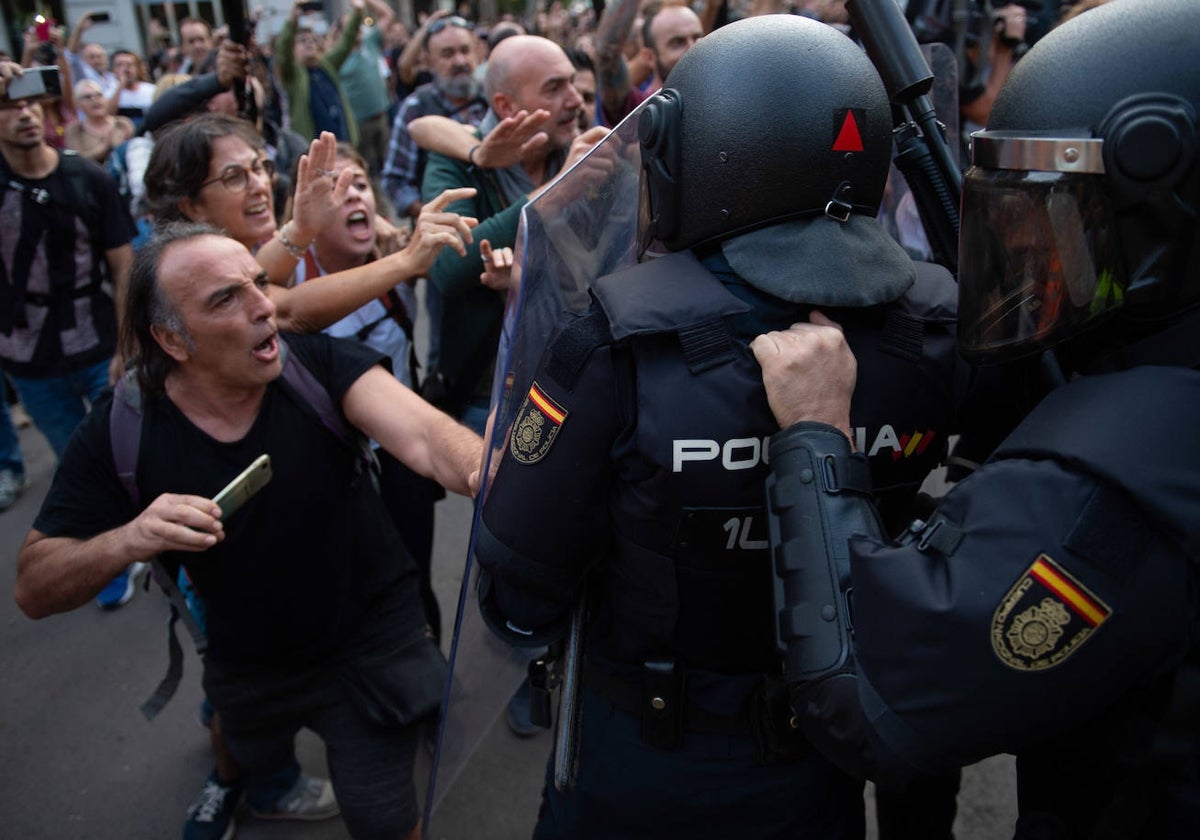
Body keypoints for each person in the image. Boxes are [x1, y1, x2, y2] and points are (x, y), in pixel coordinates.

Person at [472, 16, 969, 838]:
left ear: (689, 154)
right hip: (827, 755)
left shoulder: (623, 333)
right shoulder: (948, 323)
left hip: (646, 761)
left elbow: (519, 591)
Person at [753, 1, 1200, 838]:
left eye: (1068, 217)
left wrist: (815, 435)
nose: (1041, 260)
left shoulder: (1117, 485)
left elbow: (868, 697)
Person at [14, 221, 484, 840]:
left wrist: (487, 470)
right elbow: (33, 586)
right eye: (225, 299)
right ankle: (241, 785)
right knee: (240, 744)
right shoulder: (121, 427)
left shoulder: (314, 365)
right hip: (248, 661)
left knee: (385, 819)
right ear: (171, 341)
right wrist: (129, 538)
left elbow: (426, 437)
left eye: (258, 283)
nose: (266, 307)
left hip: (370, 642)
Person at [0, 61, 141, 608]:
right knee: (76, 463)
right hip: (29, 358)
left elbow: (124, 265)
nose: (24, 115)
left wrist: (127, 344)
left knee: (127, 448)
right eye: (9, 106)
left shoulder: (87, 178)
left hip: (98, 341)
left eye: (31, 103)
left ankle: (162, 541)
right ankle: (107, 562)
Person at [292, 142, 447, 641]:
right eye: (335, 189)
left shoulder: (399, 257)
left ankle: (432, 680)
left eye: (360, 184)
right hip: (330, 468)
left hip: (401, 455)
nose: (354, 195)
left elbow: (426, 128)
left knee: (414, 579)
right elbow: (288, 310)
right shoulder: (287, 277)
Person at [420, 34, 604, 434]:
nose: (575, 100)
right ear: (506, 106)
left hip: (577, 381)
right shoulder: (459, 161)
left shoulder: (578, 151)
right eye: (554, 88)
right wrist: (554, 193)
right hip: (489, 399)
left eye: (572, 82)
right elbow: (447, 268)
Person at [594, 0, 703, 127]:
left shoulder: (724, 92)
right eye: (677, 42)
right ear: (650, 57)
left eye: (697, 37)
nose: (693, 48)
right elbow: (607, 54)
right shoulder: (641, 110)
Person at [275, 0, 362, 146]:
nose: (309, 43)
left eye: (312, 40)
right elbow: (282, 52)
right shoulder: (292, 75)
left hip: (343, 143)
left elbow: (346, 42)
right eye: (302, 41)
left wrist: (358, 13)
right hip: (315, 149)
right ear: (293, 49)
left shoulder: (326, 65)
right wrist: (293, 19)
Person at [65, 78, 133, 164]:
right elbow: (78, 161)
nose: (95, 100)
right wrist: (106, 146)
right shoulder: (75, 130)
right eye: (88, 97)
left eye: (99, 95)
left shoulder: (123, 124)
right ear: (78, 104)